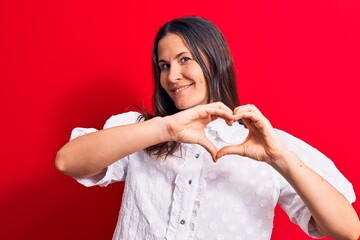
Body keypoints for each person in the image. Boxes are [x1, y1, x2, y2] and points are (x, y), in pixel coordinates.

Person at [55, 16, 360, 240]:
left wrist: (279, 158)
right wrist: (167, 129)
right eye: (164, 65)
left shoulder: (267, 144)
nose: (172, 76)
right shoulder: (141, 131)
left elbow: (348, 229)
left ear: (215, 63)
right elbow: (67, 162)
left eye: (183, 59)